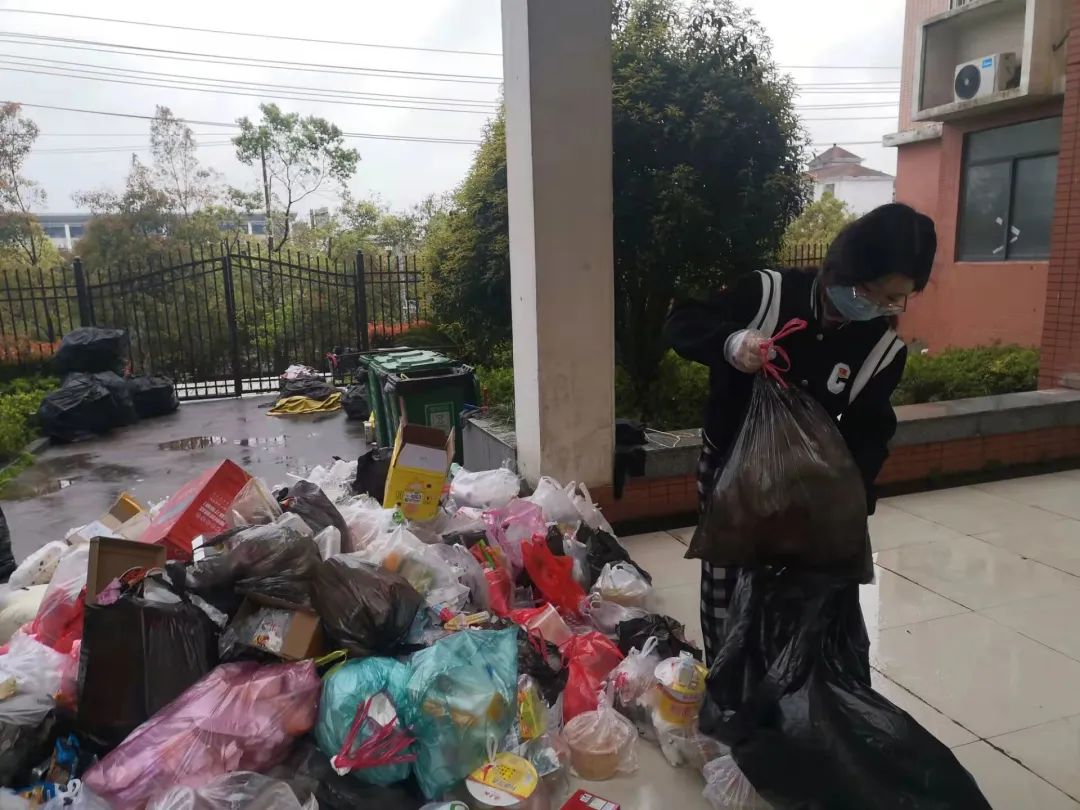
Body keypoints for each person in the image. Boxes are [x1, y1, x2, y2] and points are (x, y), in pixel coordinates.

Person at [664, 202, 937, 662]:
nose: (876, 307)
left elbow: (869, 436)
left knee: (791, 609)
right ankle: (725, 681)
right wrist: (732, 342)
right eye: (871, 292)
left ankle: (777, 689)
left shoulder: (880, 350)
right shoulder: (768, 295)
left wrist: (849, 511)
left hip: (806, 496)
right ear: (846, 267)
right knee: (725, 594)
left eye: (894, 300)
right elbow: (683, 321)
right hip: (731, 477)